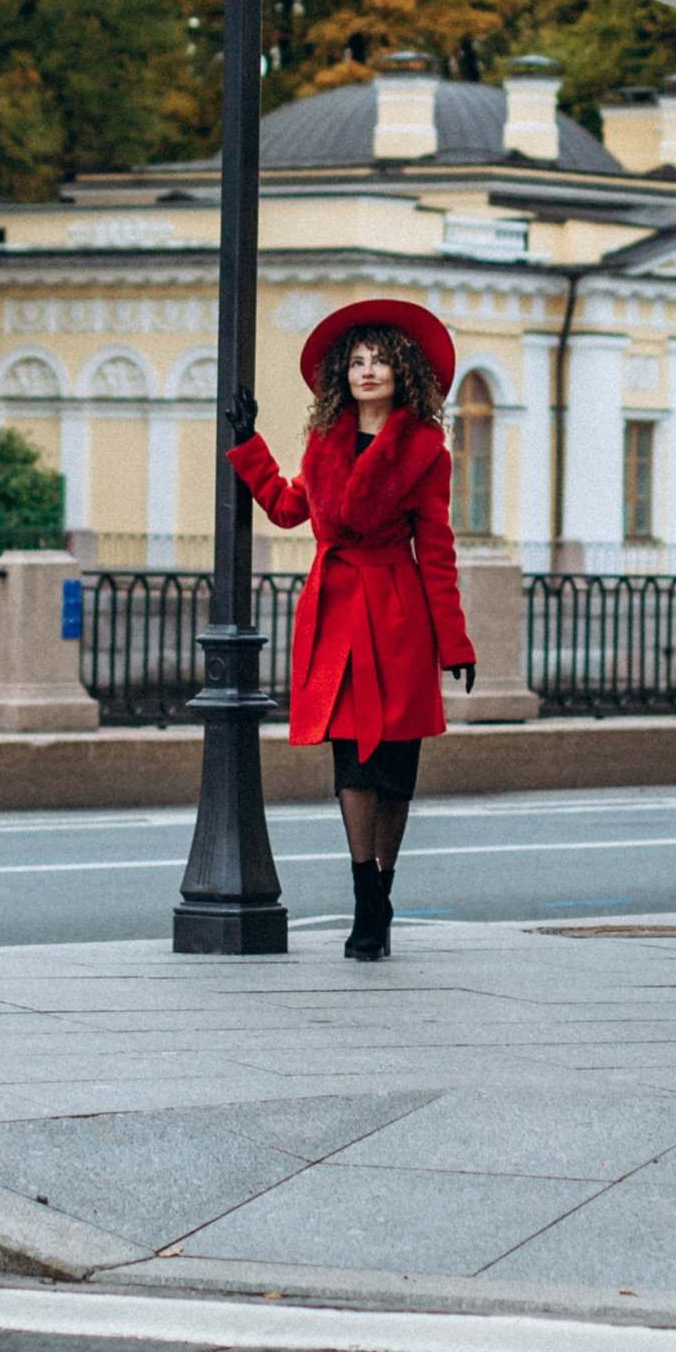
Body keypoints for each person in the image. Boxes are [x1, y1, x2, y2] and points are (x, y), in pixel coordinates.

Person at [227, 297, 476, 961]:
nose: (368, 371)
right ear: (343, 374)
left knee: (394, 770)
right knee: (353, 766)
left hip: (398, 619)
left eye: (381, 361)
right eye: (357, 361)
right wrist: (247, 446)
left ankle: (382, 892)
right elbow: (285, 509)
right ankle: (367, 897)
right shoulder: (325, 445)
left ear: (403, 373)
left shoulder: (427, 453)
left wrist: (454, 642)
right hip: (336, 615)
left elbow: (439, 552)